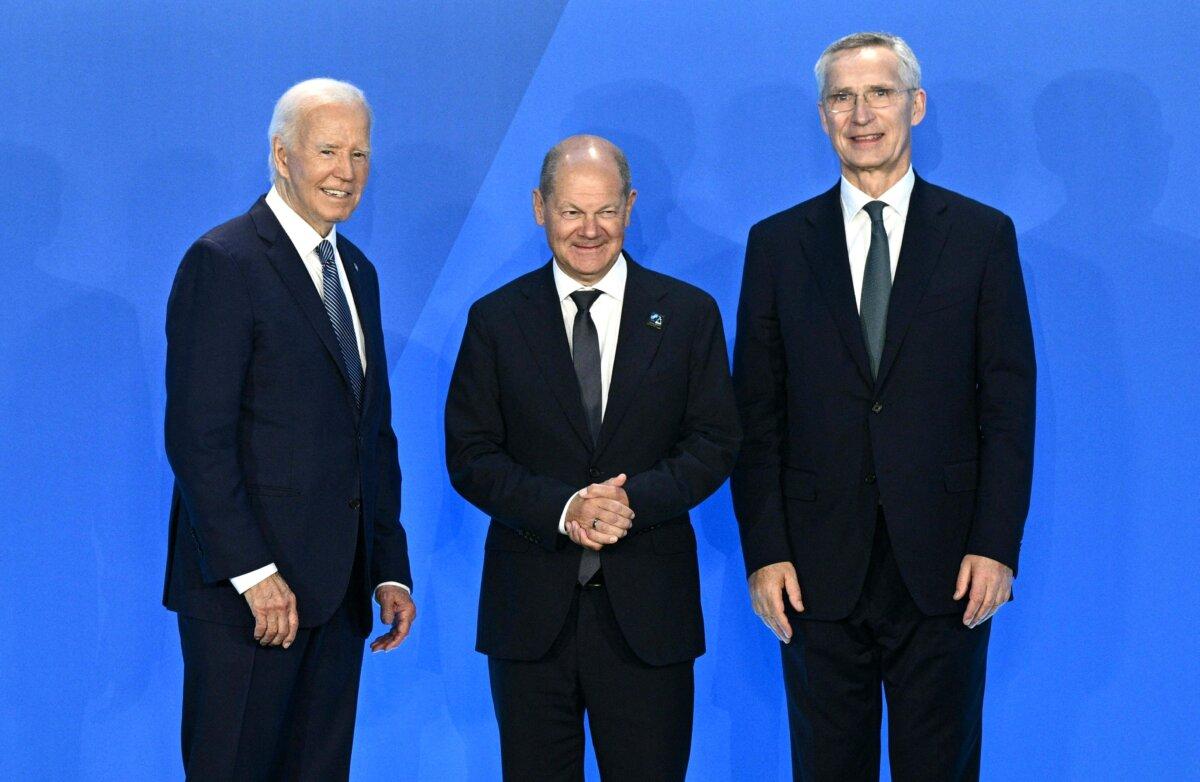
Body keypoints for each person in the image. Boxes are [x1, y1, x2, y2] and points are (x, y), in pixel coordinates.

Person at [731, 32, 1035, 781]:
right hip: (813, 571)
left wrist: (995, 544)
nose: (861, 114)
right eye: (842, 97)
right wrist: (766, 551)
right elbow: (755, 414)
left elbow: (1008, 405)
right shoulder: (775, 245)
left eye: (880, 94)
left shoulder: (981, 236)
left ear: (916, 106)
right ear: (823, 114)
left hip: (947, 567)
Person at [445, 134, 740, 781]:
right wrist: (566, 507)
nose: (589, 230)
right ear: (539, 208)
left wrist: (631, 502)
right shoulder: (495, 320)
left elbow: (715, 442)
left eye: (604, 210)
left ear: (631, 207)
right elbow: (470, 454)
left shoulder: (688, 315)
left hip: (649, 618)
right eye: (572, 211)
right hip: (530, 621)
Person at [163, 78, 416, 781]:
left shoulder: (356, 270)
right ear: (281, 155)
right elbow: (196, 436)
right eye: (328, 151)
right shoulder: (225, 261)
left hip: (335, 601)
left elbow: (373, 434)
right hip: (249, 605)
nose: (346, 172)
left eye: (360, 154)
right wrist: (254, 573)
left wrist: (387, 565)